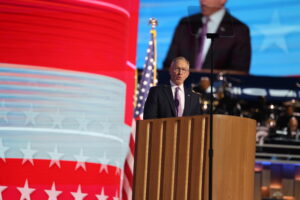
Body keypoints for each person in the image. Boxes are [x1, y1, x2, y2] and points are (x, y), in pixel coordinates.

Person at [163, 0, 251, 74]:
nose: (203, 1)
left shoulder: (239, 30)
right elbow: (169, 64)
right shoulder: (185, 24)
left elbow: (240, 72)